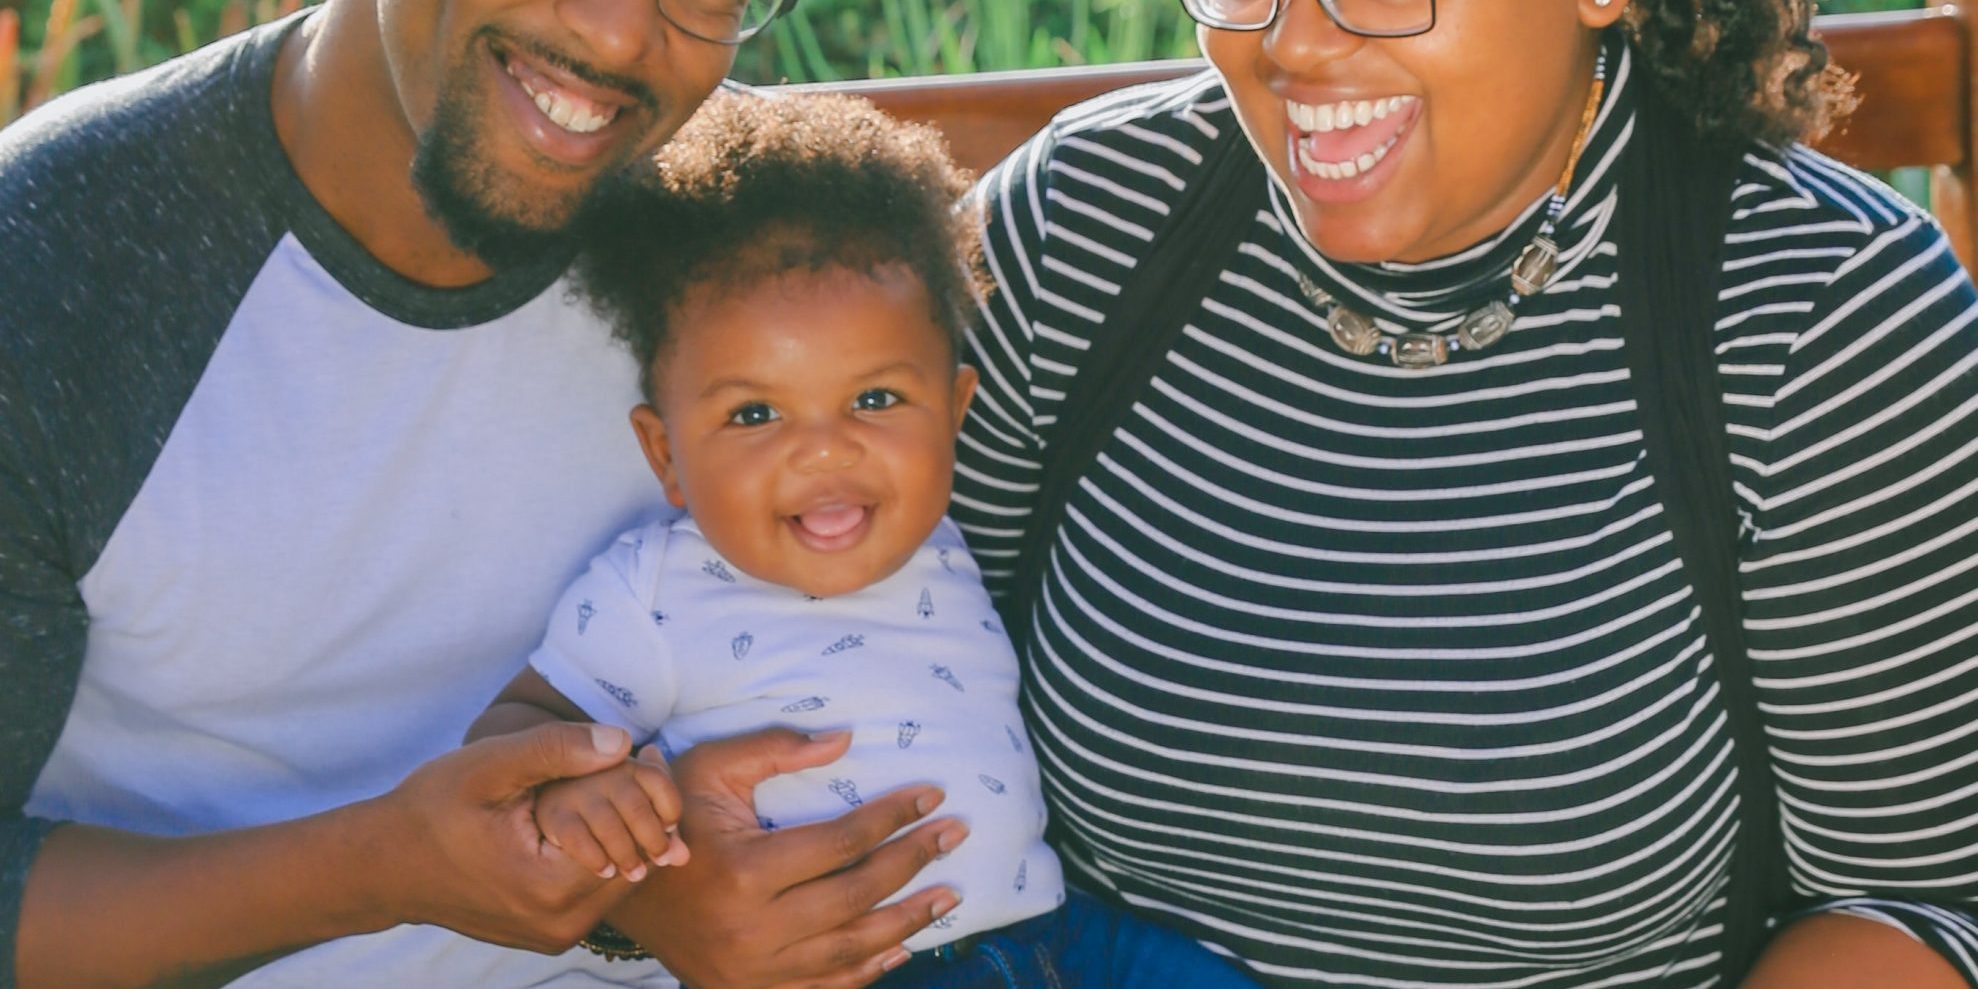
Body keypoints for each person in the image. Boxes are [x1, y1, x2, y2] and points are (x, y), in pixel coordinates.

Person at [943, 0, 1978, 987]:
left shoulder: (1823, 318)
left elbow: (1919, 899)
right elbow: (858, 650)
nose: (1292, 43)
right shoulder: (1073, 227)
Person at [0, 0, 966, 986]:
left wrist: (644, 893)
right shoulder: (48, 257)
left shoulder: (761, 243)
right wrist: (379, 868)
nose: (619, 37)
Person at [465, 89, 1268, 989]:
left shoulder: (944, 539)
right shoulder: (655, 591)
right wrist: (589, 796)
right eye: (755, 412)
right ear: (668, 454)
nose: (824, 448)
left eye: (877, 400)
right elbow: (514, 734)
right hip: (859, 967)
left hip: (1062, 937)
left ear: (955, 414)